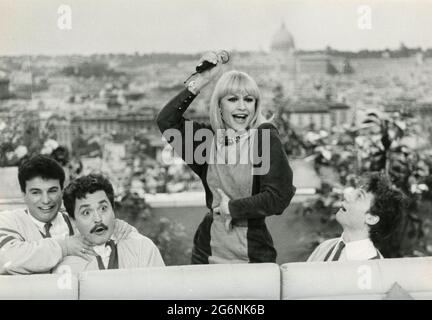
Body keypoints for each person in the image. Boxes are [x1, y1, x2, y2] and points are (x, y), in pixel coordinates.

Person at [157, 52, 296, 264]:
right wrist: (202, 81)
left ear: (256, 106)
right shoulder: (208, 142)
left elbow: (279, 197)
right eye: (232, 99)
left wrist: (232, 208)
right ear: (219, 107)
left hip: (252, 252)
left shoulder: (264, 137)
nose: (242, 106)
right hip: (208, 250)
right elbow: (167, 121)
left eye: (249, 99)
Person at [0, 155, 134, 275]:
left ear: (62, 191)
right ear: (24, 195)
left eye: (52, 191)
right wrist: (64, 247)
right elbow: (6, 259)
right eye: (36, 192)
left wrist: (118, 227)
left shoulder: (76, 219)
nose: (46, 200)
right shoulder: (9, 221)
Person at [53, 174, 164, 273]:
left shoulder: (142, 248)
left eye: (103, 208)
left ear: (113, 209)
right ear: (73, 220)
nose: (98, 219)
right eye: (86, 212)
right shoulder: (65, 263)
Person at [307, 172, 404, 262]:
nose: (346, 195)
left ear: (371, 218)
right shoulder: (325, 247)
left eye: (359, 196)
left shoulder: (374, 269)